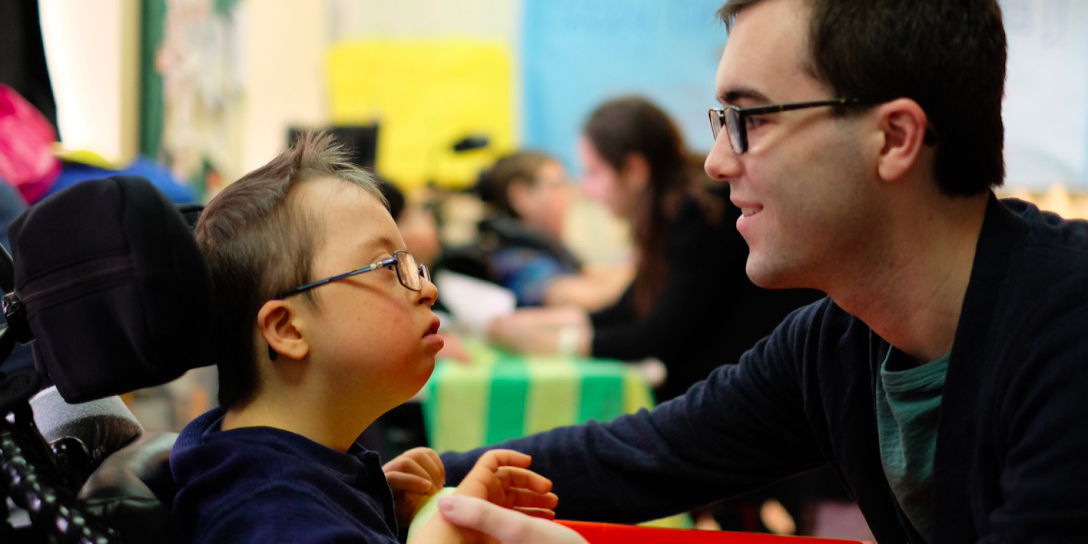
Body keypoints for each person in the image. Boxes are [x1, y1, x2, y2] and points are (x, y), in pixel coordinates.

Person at [428, 1, 1088, 543]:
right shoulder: (833, 343)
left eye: (751, 118)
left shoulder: (1068, 328)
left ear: (894, 138)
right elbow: (638, 455)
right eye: (722, 121)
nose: (717, 162)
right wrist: (396, 485)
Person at [170, 132, 558, 544]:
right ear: (287, 329)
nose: (427, 290)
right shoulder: (270, 516)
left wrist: (369, 506)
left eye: (414, 266)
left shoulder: (261, 469)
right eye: (388, 267)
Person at [488, 96, 819, 403]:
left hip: (753, 400)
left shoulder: (699, 211)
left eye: (593, 172)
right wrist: (539, 323)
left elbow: (659, 334)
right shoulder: (676, 209)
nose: (585, 189)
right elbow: (629, 307)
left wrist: (559, 341)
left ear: (633, 169)